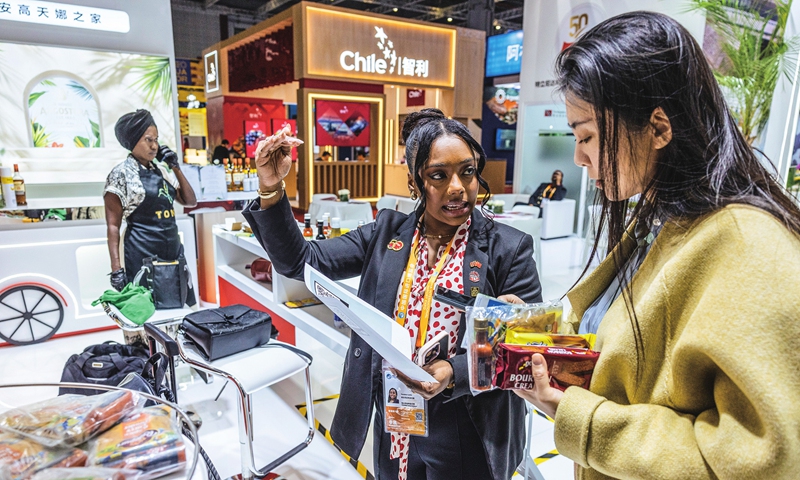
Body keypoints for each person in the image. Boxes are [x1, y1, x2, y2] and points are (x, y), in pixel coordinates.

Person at [514, 12, 800, 480]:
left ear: (659, 128)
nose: (579, 156)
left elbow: (761, 461)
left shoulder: (750, 247)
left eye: (587, 135)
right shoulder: (661, 220)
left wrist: (585, 422)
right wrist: (545, 331)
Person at [243, 109, 542, 480]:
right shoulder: (385, 233)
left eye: (467, 172)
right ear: (415, 183)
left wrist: (454, 370)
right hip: (394, 415)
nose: (457, 187)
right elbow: (300, 262)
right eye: (438, 175)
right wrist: (271, 188)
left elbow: (523, 344)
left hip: (466, 421)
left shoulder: (507, 248)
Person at [104, 109, 198, 291]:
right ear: (133, 141)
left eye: (156, 140)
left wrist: (175, 167)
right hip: (142, 254)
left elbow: (190, 200)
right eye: (148, 140)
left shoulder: (160, 171)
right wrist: (116, 269)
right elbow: (113, 226)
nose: (154, 146)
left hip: (172, 251)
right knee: (148, 311)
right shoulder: (120, 175)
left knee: (177, 303)